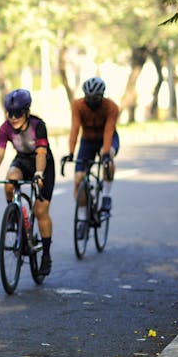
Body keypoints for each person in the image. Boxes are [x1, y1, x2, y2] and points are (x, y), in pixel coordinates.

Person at [0, 88, 56, 276]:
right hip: (23, 160)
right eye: (9, 113)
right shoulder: (5, 128)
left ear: (27, 112)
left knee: (41, 211)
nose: (13, 117)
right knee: (10, 183)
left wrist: (39, 173)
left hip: (43, 164)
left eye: (17, 113)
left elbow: (41, 153)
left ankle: (46, 255)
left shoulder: (38, 125)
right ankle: (14, 215)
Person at [63, 76, 120, 239]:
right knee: (79, 180)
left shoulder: (111, 107)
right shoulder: (78, 105)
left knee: (107, 158)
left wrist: (106, 154)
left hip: (106, 139)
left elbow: (109, 130)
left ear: (102, 96)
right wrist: (71, 152)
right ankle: (82, 219)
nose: (91, 101)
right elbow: (74, 128)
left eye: (95, 98)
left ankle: (107, 197)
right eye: (88, 98)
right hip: (87, 140)